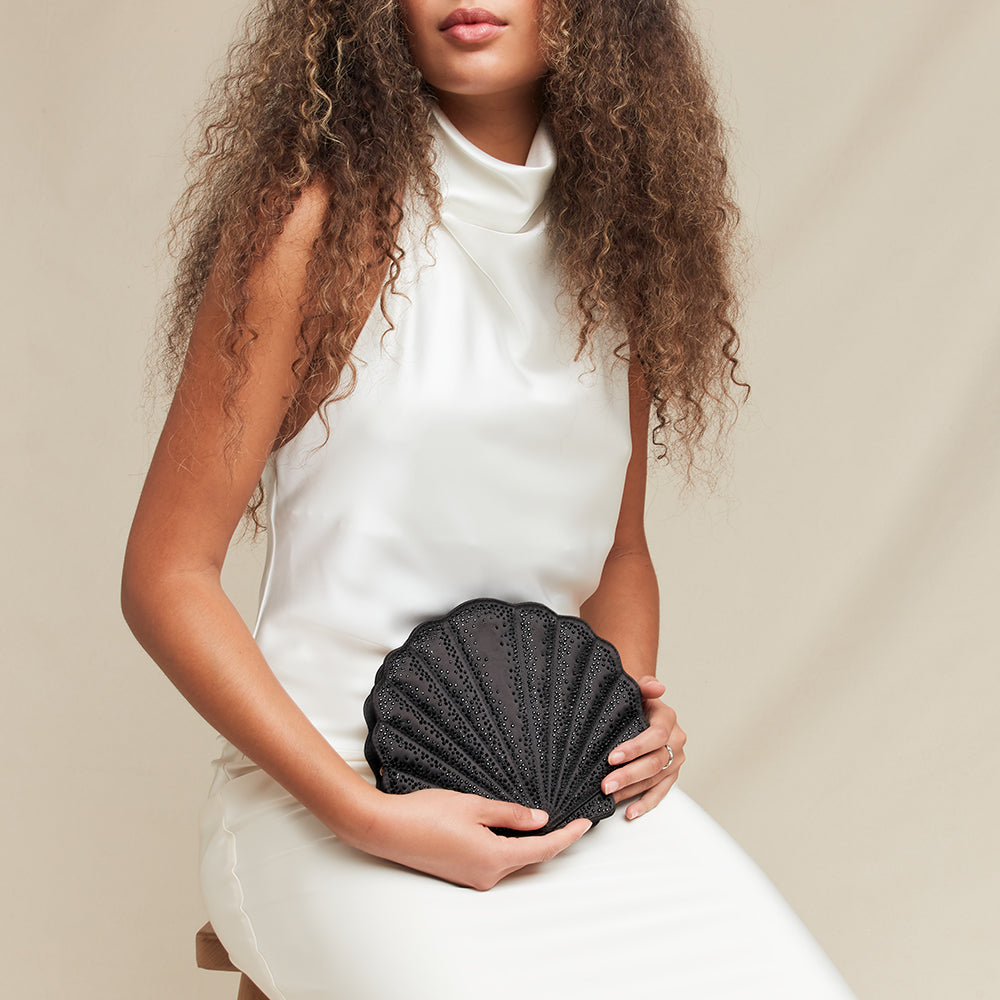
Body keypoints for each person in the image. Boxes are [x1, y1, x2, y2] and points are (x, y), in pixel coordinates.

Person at [122, 2, 858, 997]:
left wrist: (617, 720)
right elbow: (166, 575)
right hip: (326, 793)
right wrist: (362, 812)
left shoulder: (620, 252)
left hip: (548, 794)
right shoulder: (312, 227)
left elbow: (619, 557)